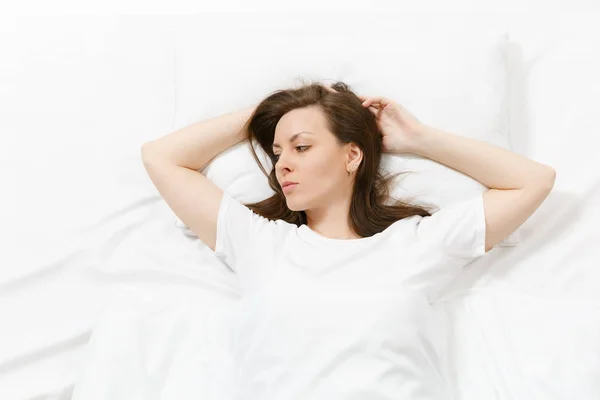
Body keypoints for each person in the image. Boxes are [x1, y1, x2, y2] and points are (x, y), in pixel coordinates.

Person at [141, 81, 555, 399]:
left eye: (301, 147)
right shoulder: (260, 242)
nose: (282, 164)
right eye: (276, 152)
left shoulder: (415, 245)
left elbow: (533, 181)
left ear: (352, 156)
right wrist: (273, 108)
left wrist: (420, 140)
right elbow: (162, 157)